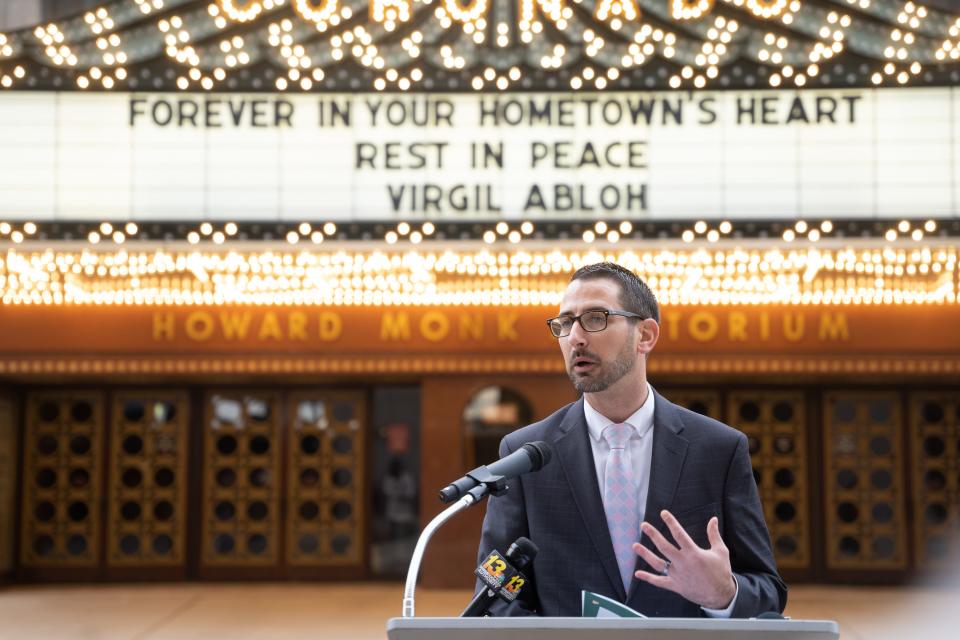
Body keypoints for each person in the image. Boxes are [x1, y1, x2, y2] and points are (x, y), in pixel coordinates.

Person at [476, 262, 787, 617]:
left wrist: (723, 594)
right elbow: (497, 588)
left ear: (647, 335)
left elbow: (767, 589)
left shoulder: (718, 449)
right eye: (564, 323)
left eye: (595, 318)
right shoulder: (525, 454)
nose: (575, 337)